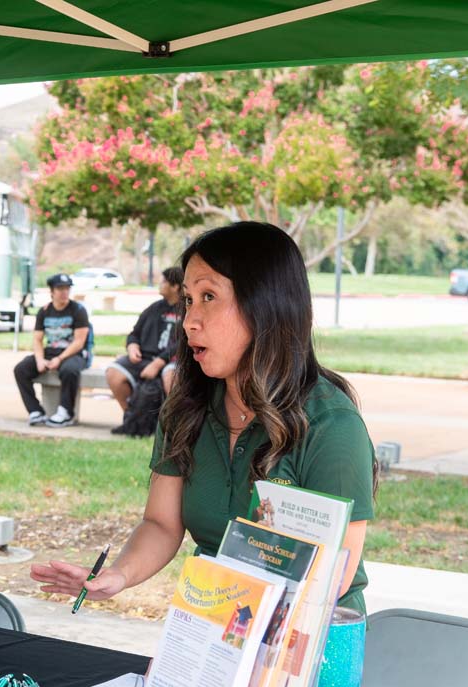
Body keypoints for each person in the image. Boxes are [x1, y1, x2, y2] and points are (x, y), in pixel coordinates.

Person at [31, 222, 376, 613]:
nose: (189, 320)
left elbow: (333, 576)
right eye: (189, 300)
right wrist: (118, 576)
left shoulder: (331, 425)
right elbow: (162, 524)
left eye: (209, 296)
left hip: (308, 642)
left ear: (266, 305)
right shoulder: (187, 407)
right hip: (210, 627)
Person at [105, 265, 183, 423]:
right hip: (145, 358)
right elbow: (134, 333)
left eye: (163, 282)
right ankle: (134, 419)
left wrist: (159, 362)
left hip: (172, 360)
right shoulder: (154, 308)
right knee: (113, 373)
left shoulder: (187, 309)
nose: (160, 285)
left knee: (171, 378)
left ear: (175, 286)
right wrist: (132, 346)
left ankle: (171, 425)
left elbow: (185, 342)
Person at [12, 272, 91, 428]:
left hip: (72, 353)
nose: (64, 292)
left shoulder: (78, 310)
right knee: (21, 369)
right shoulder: (44, 311)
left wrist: (60, 359)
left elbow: (79, 342)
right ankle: (35, 411)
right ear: (52, 291)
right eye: (60, 289)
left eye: (67, 288)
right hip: (50, 352)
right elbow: (37, 339)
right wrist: (40, 359)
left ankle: (65, 412)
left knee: (69, 370)